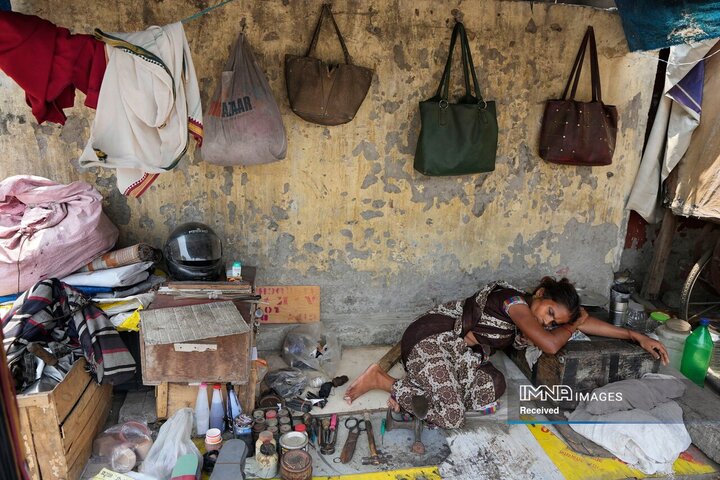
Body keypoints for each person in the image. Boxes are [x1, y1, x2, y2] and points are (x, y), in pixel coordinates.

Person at [343, 278, 669, 429]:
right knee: (452, 417)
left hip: (459, 358)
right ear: (539, 294)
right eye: (550, 312)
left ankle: (419, 392)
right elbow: (552, 343)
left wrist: (633, 335)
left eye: (554, 321)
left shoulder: (530, 319)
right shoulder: (515, 302)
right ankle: (385, 382)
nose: (547, 321)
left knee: (492, 389)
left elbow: (583, 327)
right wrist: (572, 326)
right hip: (433, 340)